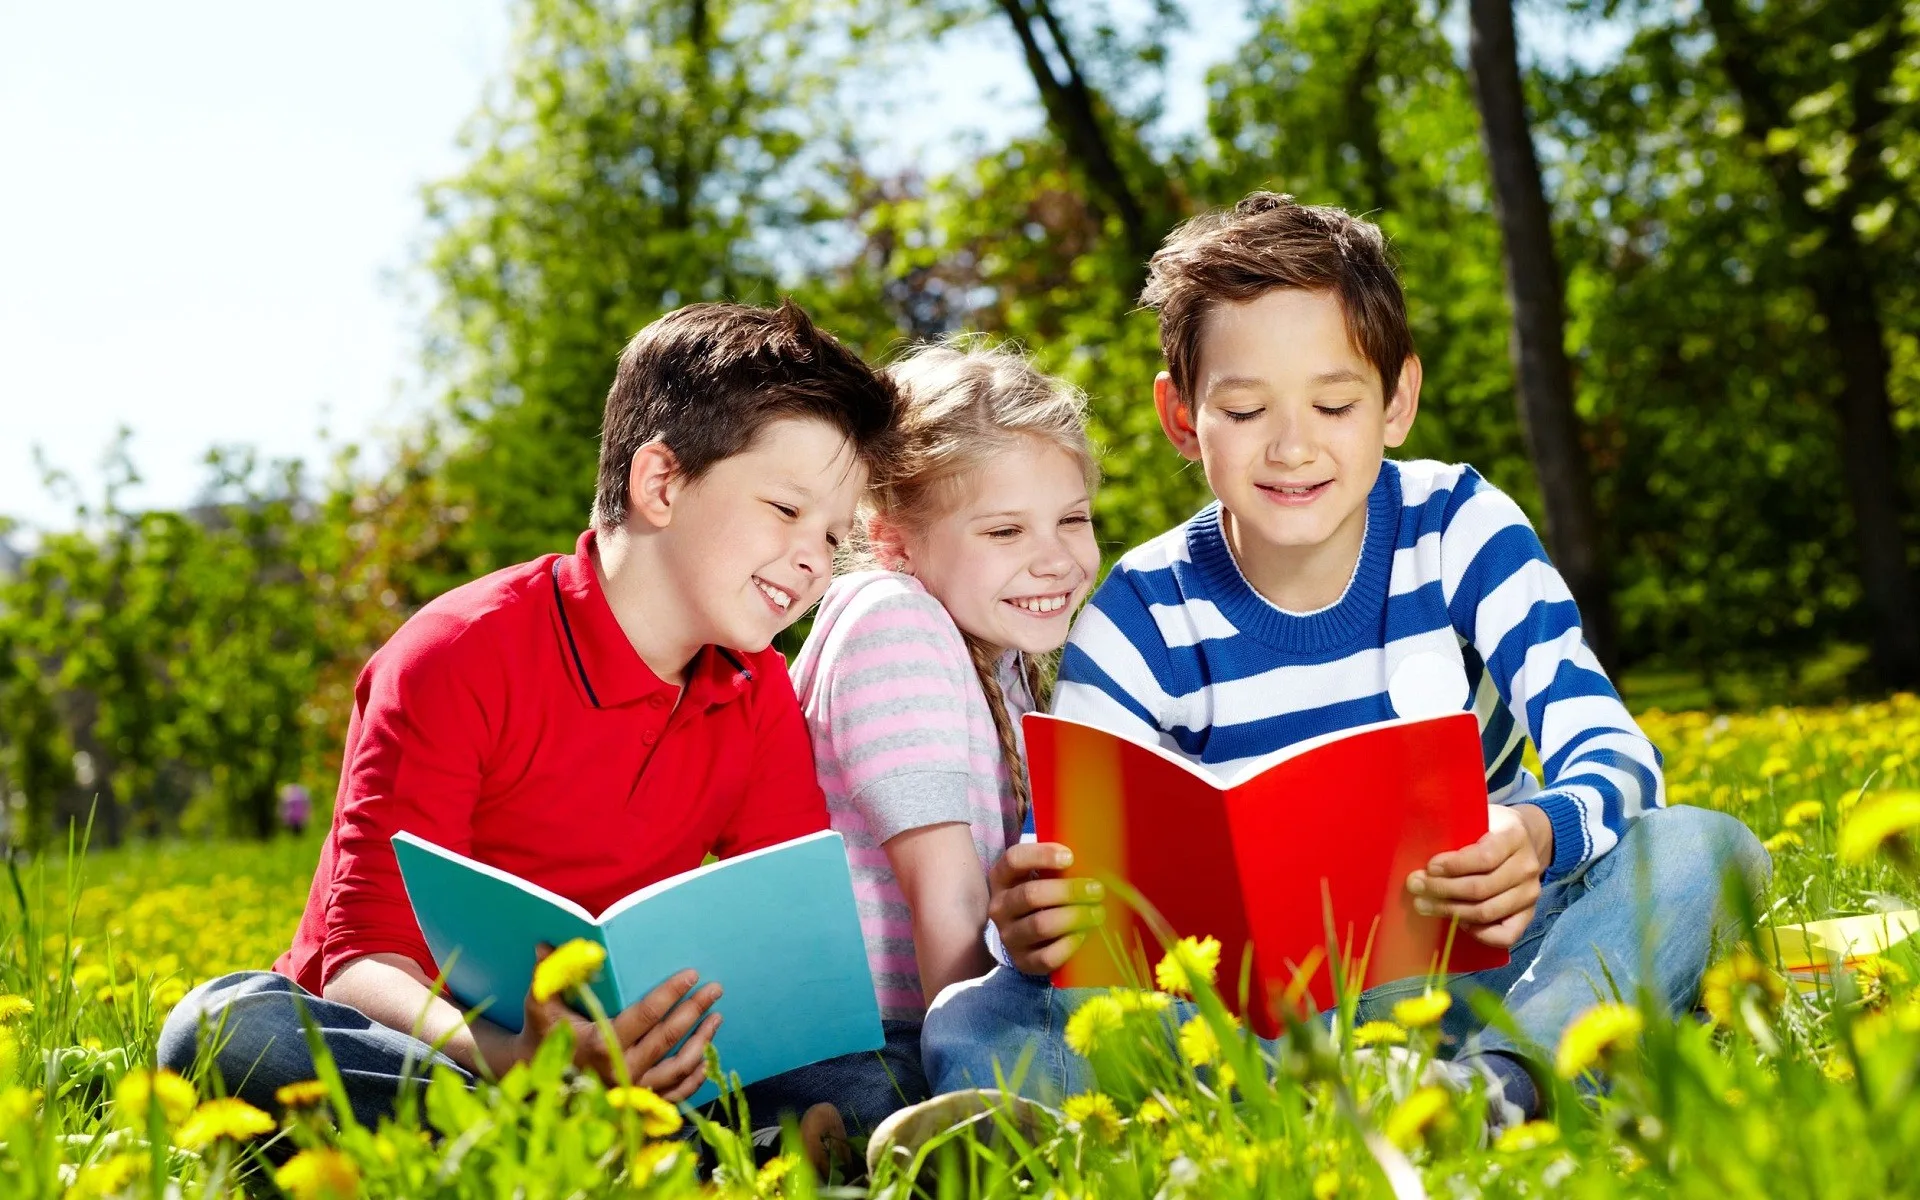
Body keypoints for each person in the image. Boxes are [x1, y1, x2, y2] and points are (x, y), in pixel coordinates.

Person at [919, 193, 1770, 1132]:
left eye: (1334, 403)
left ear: (1397, 401)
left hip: (1481, 964)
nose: (1292, 447)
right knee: (972, 1020)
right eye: (1244, 410)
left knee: (1703, 849)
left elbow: (1612, 749)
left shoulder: (1460, 528)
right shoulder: (1143, 605)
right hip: (1251, 1013)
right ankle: (1302, 1102)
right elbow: (1068, 852)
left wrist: (1536, 835)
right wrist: (1034, 921)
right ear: (1180, 416)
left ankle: (1501, 1084)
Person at [157, 300, 904, 1146]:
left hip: (633, 1070)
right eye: (786, 510)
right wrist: (522, 1058)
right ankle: (640, 1156)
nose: (814, 556)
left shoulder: (755, 689)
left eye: (835, 534)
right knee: (225, 1033)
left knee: (878, 1072)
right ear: (661, 483)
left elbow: (785, 958)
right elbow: (365, 968)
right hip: (441, 1050)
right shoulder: (456, 654)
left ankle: (632, 1149)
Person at [790, 343, 1100, 1122]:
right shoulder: (896, 619)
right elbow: (946, 892)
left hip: (920, 1014)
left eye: (1071, 519)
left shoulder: (1002, 662)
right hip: (865, 1035)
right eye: (1005, 533)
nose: (1056, 559)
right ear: (895, 539)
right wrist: (977, 1074)